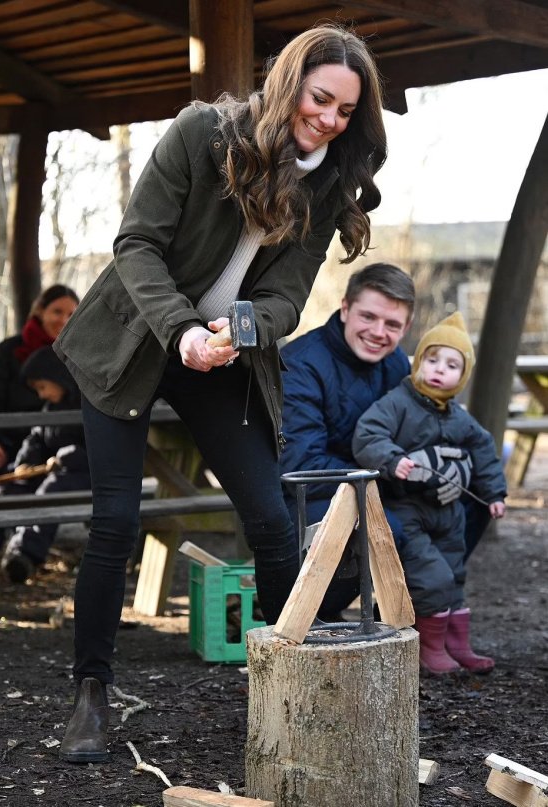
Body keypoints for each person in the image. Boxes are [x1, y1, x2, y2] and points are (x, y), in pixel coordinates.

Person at [52, 23, 388, 763]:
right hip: (133, 338)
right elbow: (135, 245)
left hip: (223, 352)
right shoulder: (201, 132)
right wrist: (182, 331)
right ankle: (90, 692)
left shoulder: (328, 180)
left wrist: (235, 330)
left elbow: (287, 297)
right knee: (115, 519)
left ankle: (288, 683)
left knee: (270, 516)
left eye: (344, 110)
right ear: (290, 84)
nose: (328, 118)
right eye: (319, 98)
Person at [279, 263, 483, 618]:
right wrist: (395, 473)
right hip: (313, 498)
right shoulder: (300, 366)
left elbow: (433, 429)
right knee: (395, 525)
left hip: (383, 485)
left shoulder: (397, 367)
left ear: (407, 326)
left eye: (392, 324)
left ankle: (423, 608)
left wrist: (452, 466)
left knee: (470, 502)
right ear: (345, 308)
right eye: (368, 317)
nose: (378, 332)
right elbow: (303, 468)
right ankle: (327, 611)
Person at [352, 312, 506, 674]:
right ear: (418, 363)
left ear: (462, 376)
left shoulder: (458, 416)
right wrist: (393, 460)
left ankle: (458, 644)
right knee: (430, 576)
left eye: (452, 365)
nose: (439, 370)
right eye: (432, 360)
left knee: (454, 574)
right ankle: (430, 648)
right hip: (408, 508)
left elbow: (484, 450)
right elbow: (367, 434)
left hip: (448, 511)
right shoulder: (398, 402)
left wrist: (495, 493)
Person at [0, 346, 89, 582]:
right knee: (1, 490)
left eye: (42, 387)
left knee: (48, 492)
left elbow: (96, 447)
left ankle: (24, 555)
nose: (41, 394)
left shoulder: (87, 405)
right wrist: (25, 463)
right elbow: (36, 438)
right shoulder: (49, 409)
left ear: (58, 378)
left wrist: (65, 458)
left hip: (80, 477)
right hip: (46, 473)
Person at [0, 284, 79, 478]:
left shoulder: (80, 355)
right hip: (8, 446)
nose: (63, 320)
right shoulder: (7, 352)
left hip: (59, 450)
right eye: (57, 312)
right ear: (41, 311)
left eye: (71, 314)